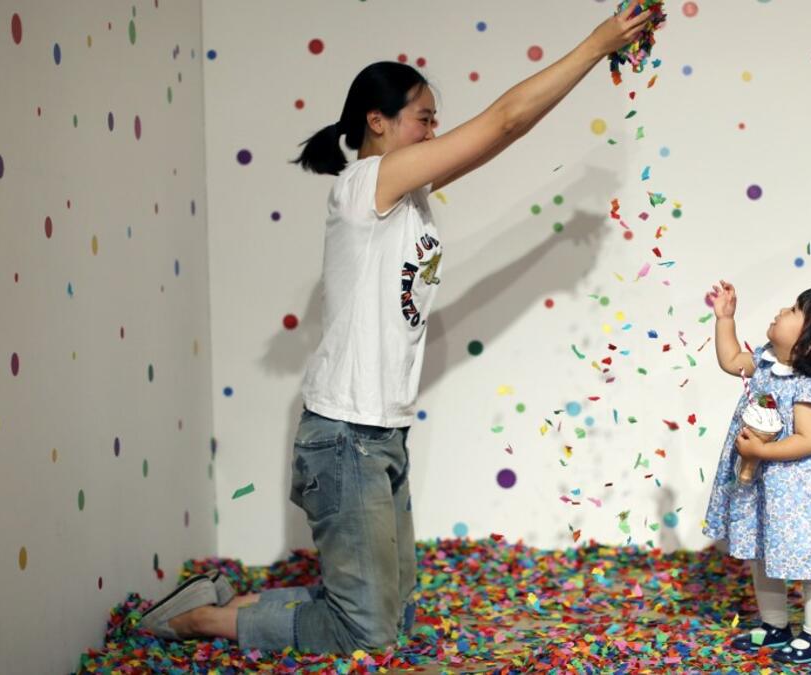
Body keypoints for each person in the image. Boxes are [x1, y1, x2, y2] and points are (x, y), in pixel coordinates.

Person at [137, 4, 655, 654]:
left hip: (381, 433)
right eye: (425, 118)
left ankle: (231, 600)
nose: (436, 131)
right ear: (376, 122)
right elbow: (503, 121)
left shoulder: (407, 196)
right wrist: (601, 41)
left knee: (393, 617)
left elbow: (504, 134)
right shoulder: (367, 186)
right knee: (370, 630)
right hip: (345, 439)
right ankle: (203, 620)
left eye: (437, 120)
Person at [702, 281, 811, 666]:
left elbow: (807, 440)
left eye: (796, 310)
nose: (783, 309)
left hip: (801, 495)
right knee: (760, 554)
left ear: (808, 345)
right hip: (765, 488)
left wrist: (761, 450)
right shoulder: (763, 362)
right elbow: (731, 360)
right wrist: (725, 319)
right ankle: (775, 626)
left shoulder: (807, 386)